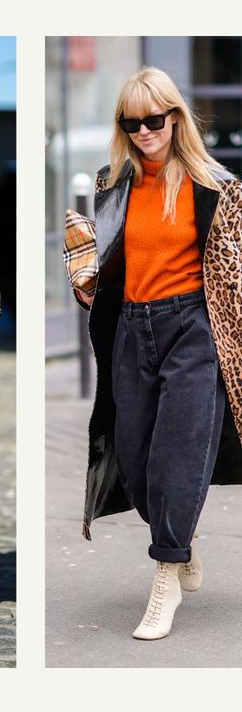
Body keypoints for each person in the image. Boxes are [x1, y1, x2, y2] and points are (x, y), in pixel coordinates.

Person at [74, 66, 242, 641]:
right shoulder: (110, 184)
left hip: (193, 327)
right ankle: (181, 544)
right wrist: (84, 276)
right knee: (136, 459)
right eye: (132, 121)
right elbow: (108, 271)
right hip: (131, 327)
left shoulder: (216, 186)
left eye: (155, 119)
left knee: (178, 454)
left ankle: (166, 576)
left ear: (175, 118)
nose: (144, 130)